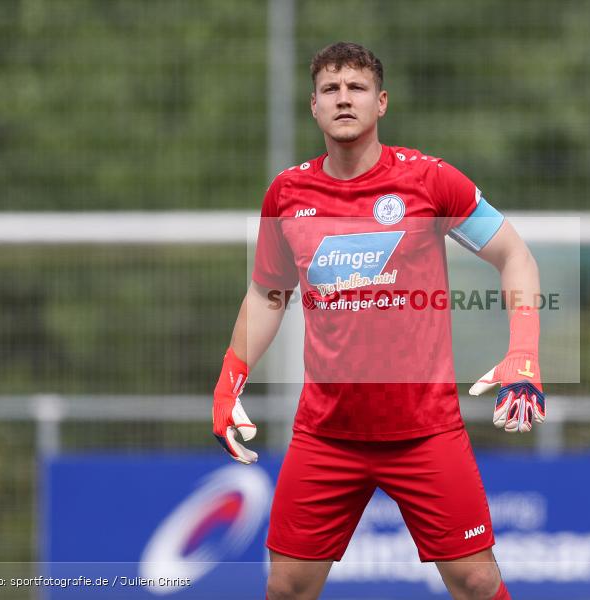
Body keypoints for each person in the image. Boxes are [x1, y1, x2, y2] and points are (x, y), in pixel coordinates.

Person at [212, 42, 544, 600]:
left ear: (381, 102)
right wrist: (228, 380)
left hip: (424, 429)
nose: (344, 99)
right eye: (330, 89)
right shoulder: (288, 194)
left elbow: (515, 255)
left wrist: (524, 350)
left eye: (357, 88)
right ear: (313, 106)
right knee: (287, 586)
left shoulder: (431, 181)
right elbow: (269, 294)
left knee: (477, 580)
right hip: (327, 432)